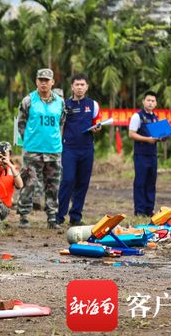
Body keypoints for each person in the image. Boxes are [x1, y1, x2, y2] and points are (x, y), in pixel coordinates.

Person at [16, 68, 65, 229]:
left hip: (53, 150)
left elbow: (61, 123)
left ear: (52, 82)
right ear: (36, 81)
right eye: (40, 80)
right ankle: (23, 215)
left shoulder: (60, 102)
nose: (44, 83)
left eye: (47, 80)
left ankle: (52, 217)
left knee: (53, 185)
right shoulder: (28, 100)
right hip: (32, 151)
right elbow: (21, 123)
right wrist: (30, 140)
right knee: (29, 183)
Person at [56, 73, 101, 226]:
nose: (80, 87)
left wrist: (97, 127)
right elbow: (60, 125)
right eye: (77, 85)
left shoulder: (93, 104)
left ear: (87, 87)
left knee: (83, 183)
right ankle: (59, 216)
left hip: (87, 148)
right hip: (69, 148)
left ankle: (76, 216)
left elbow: (97, 122)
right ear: (72, 87)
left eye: (82, 84)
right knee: (68, 180)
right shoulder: (65, 105)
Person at [129, 91, 161, 217]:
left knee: (151, 183)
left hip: (152, 154)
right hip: (141, 154)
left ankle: (149, 209)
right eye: (148, 100)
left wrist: (163, 137)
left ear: (156, 103)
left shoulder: (155, 118)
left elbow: (158, 135)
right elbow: (131, 134)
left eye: (153, 101)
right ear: (143, 101)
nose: (150, 103)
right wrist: (148, 139)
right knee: (140, 182)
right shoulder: (137, 117)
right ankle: (140, 210)